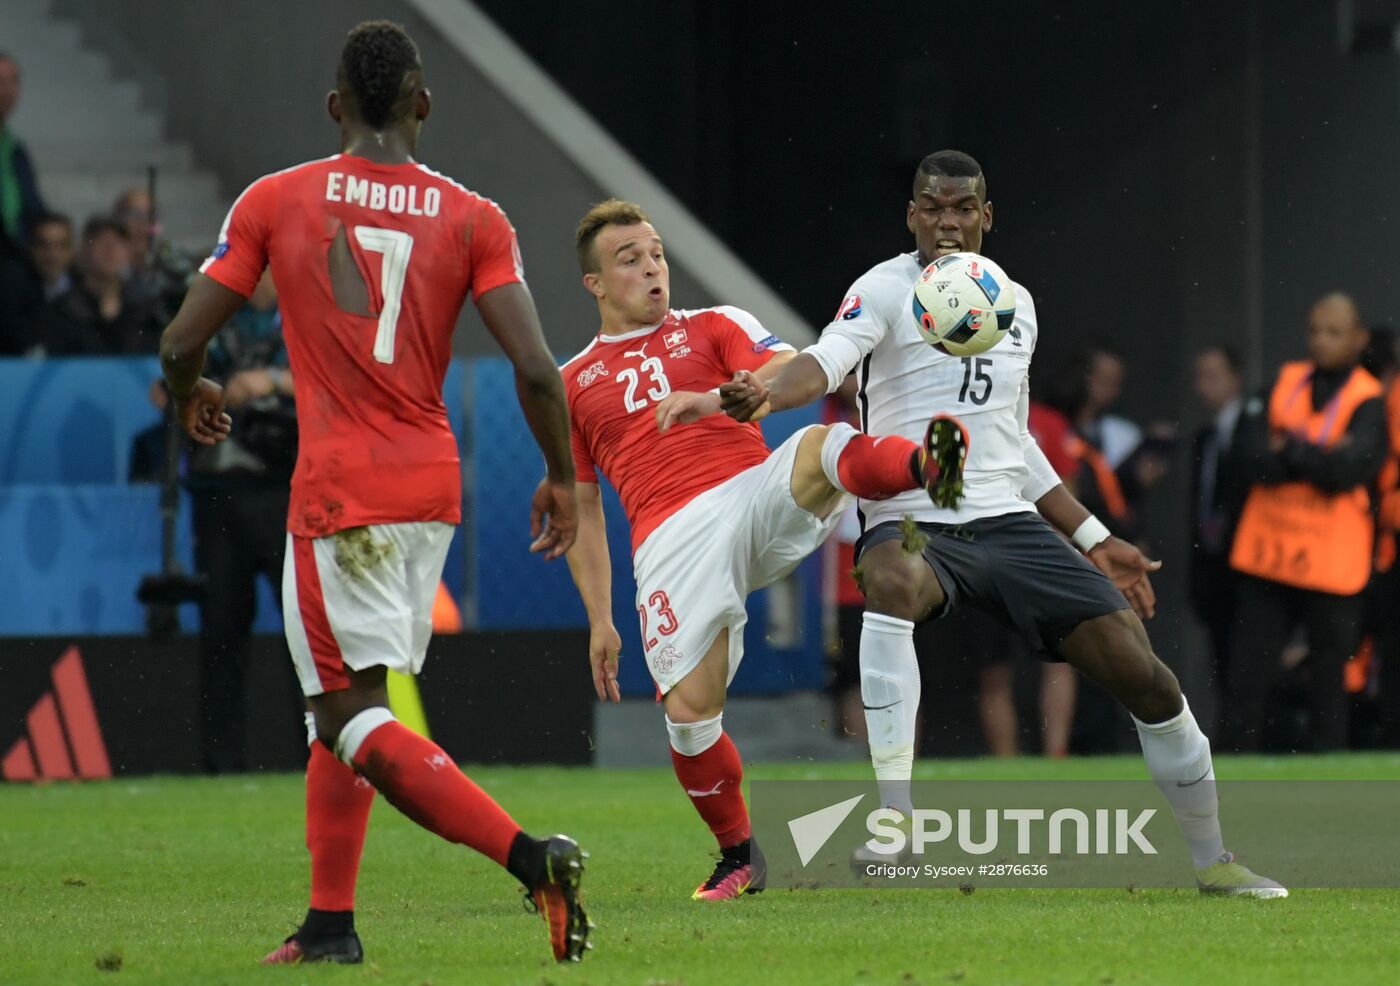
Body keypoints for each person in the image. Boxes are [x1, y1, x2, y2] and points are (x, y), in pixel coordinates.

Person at [721, 149, 1285, 896]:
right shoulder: (883, 289)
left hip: (1010, 525)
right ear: (912, 215)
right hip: (918, 518)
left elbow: (1014, 440)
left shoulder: (1012, 299)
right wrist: (765, 388)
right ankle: (898, 825)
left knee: (1147, 678)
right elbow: (825, 361)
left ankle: (1216, 860)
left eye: (962, 209)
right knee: (888, 579)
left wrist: (1091, 537)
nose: (947, 223)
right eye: (932, 207)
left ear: (986, 216)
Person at [158, 20, 589, 966]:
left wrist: (192, 395)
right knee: (350, 701)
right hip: (429, 487)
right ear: (424, 105)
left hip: (337, 490)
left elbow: (183, 341)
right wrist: (562, 478)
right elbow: (538, 371)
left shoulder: (277, 199)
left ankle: (530, 859)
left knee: (344, 715)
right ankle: (328, 926)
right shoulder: (477, 217)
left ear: (334, 107)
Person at [560, 198, 967, 901]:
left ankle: (926, 467)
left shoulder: (716, 325)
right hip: (669, 540)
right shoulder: (569, 385)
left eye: (656, 251)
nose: (652, 266)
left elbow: (788, 366)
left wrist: (722, 396)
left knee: (819, 445)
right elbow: (581, 505)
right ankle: (739, 854)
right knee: (689, 717)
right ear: (594, 283)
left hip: (751, 496)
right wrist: (600, 616)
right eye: (630, 259)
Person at [1227, 293, 1386, 751]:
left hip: (1332, 565)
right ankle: (1233, 771)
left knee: (1328, 682)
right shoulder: (1284, 382)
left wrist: (1289, 449)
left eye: (1334, 332)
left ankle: (1324, 773)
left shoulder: (1368, 399)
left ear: (1359, 339)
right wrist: (1316, 457)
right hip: (1269, 556)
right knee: (1246, 676)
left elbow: (1350, 471)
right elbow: (1248, 458)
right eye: (1314, 330)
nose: (1320, 341)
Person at [158, 270, 296, 773]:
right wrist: (183, 390)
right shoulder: (214, 316)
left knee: (303, 635)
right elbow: (174, 368)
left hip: (285, 487)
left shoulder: (303, 312)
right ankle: (221, 763)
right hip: (217, 493)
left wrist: (274, 380)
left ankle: (322, 753)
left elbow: (339, 380)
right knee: (220, 630)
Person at [1188, 345, 1245, 727]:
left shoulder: (1252, 428)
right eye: (1200, 376)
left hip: (1245, 561)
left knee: (1245, 659)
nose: (1204, 385)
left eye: (1214, 375)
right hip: (1211, 563)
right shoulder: (1204, 436)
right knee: (1220, 657)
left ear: (1235, 378)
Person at [37, 216, 161, 355]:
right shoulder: (60, 311)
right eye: (100, 241)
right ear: (83, 250)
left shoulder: (146, 310)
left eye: (118, 242)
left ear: (129, 253)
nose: (110, 249)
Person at [0, 211, 72, 353]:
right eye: (43, 245)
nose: (52, 255)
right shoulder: (10, 289)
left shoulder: (84, 287)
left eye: (60, 245)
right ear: (31, 249)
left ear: (72, 250)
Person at [0, 52, 47, 266]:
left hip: (15, 259)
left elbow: (33, 208)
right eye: (1, 81)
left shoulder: (16, 150)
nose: (6, 91)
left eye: (13, 81)